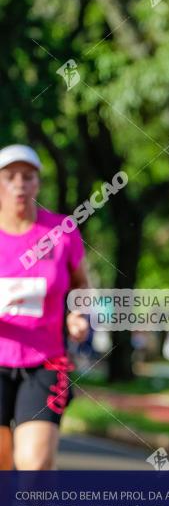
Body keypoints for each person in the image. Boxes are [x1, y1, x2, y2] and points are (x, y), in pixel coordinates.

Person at [0, 144, 90, 470]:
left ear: (38, 184)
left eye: (28, 177)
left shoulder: (62, 231)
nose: (19, 185)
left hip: (47, 362)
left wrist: (77, 315)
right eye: (10, 177)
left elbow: (81, 285)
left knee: (35, 463)